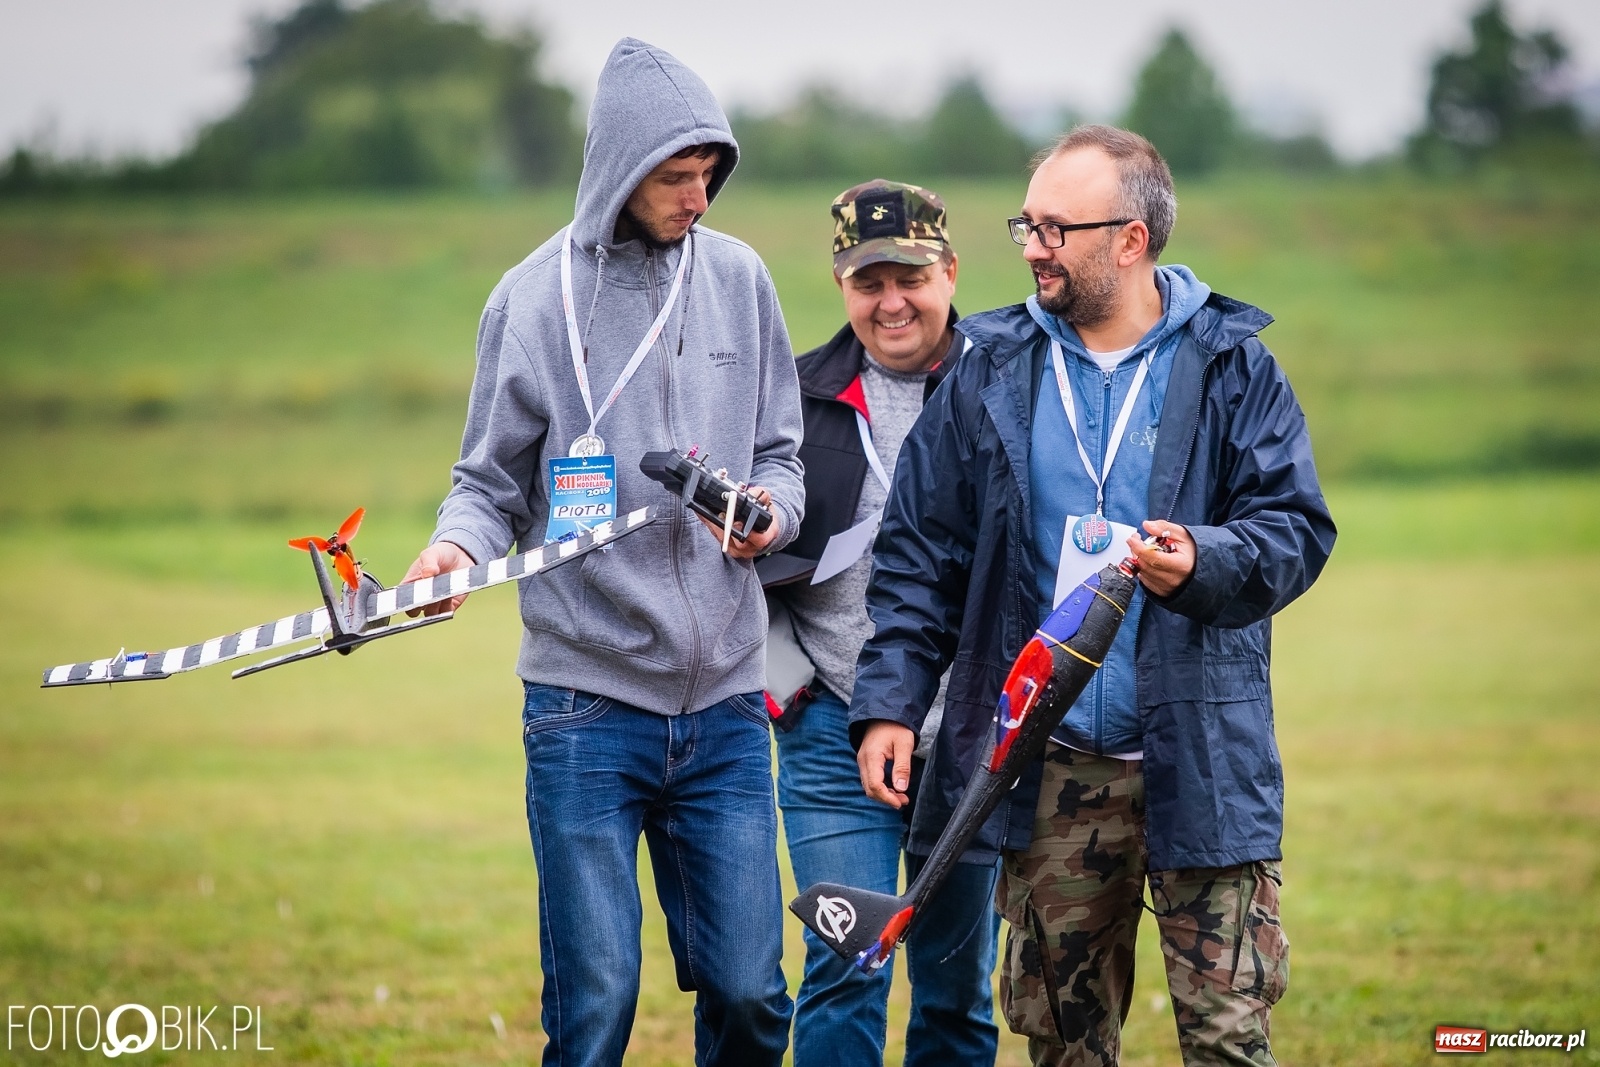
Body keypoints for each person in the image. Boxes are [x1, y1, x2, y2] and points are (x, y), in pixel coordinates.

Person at [849, 125, 1336, 1067]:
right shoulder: (985, 368)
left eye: (1054, 228)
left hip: (1201, 755)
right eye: (1025, 225)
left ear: (1130, 239)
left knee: (1230, 1042)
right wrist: (889, 705)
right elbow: (918, 559)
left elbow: (1295, 531)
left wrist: (1205, 556)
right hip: (1051, 772)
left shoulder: (1232, 365)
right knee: (1069, 1050)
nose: (1031, 246)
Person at [401, 38, 804, 1067]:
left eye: (709, 172)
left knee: (754, 991)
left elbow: (781, 458)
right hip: (584, 705)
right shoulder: (529, 300)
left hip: (721, 699)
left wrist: (766, 511)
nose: (699, 197)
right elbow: (488, 484)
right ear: (621, 168)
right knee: (595, 1005)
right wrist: (453, 550)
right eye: (676, 175)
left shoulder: (742, 279)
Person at [758, 181, 1000, 1067]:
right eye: (869, 282)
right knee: (844, 969)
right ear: (840, 282)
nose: (891, 301)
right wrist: (789, 692)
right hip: (828, 734)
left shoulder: (1006, 387)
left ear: (950, 271)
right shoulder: (794, 395)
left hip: (974, 738)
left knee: (956, 991)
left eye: (910, 276)